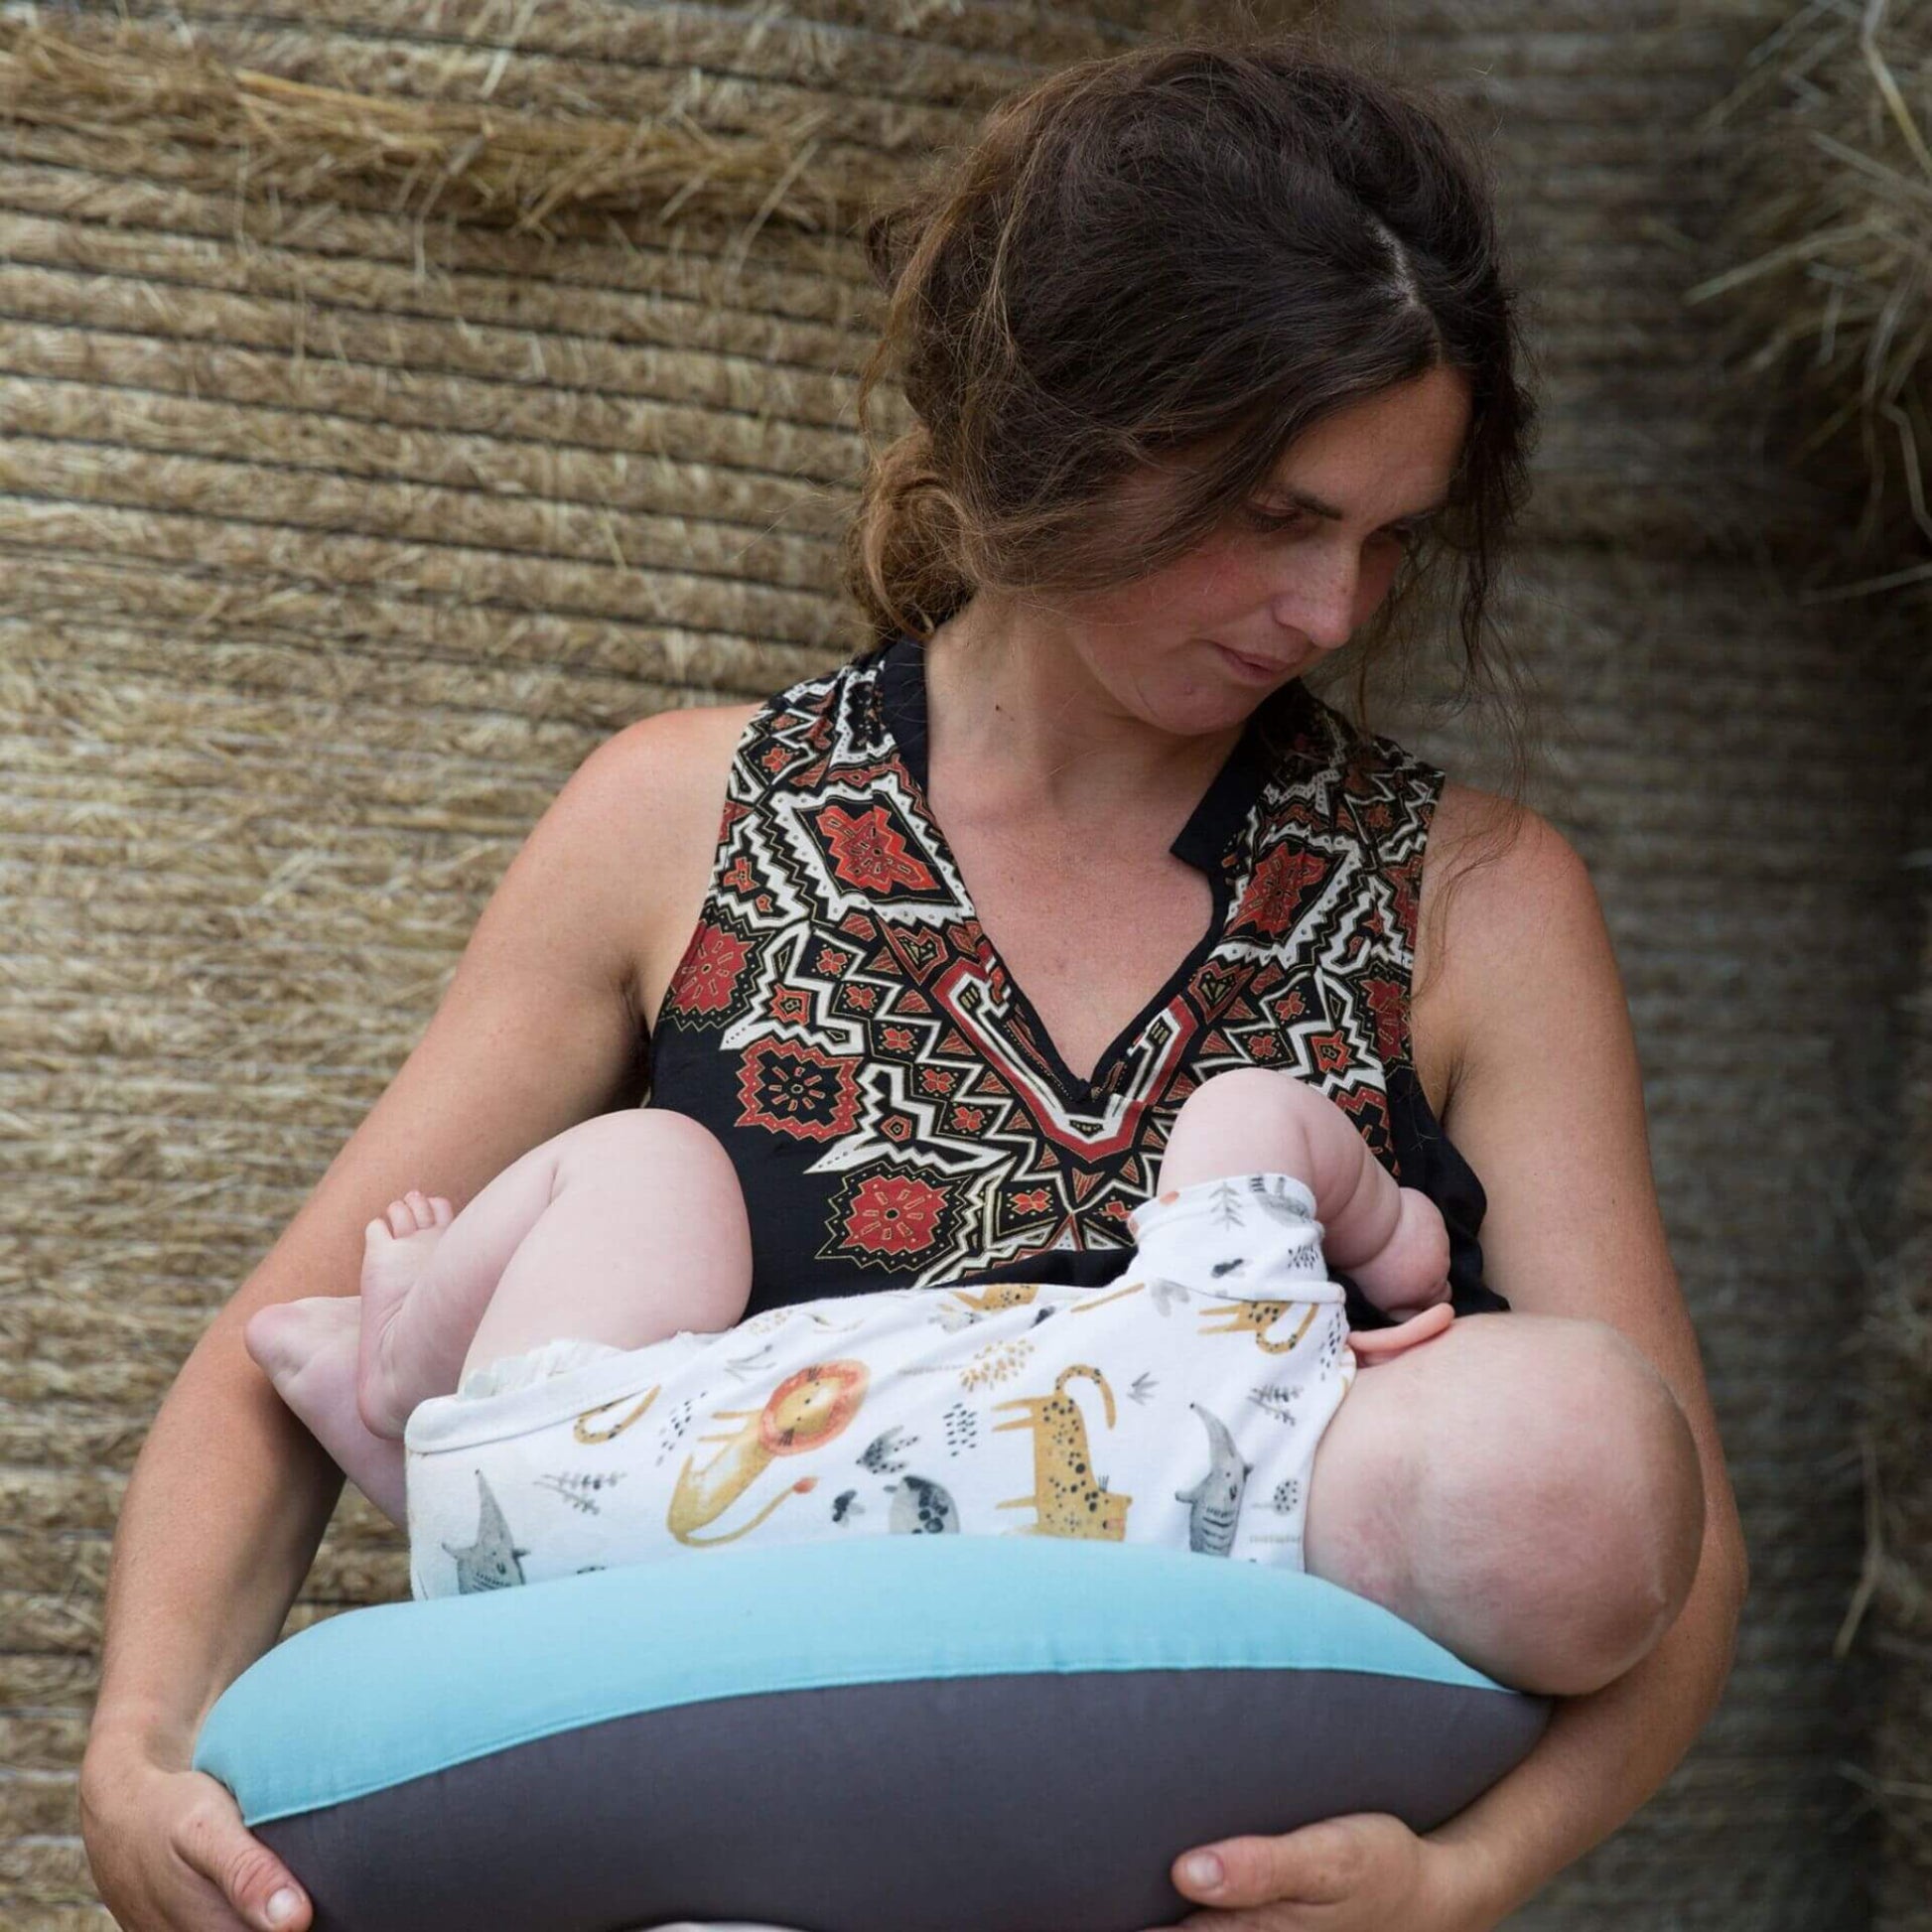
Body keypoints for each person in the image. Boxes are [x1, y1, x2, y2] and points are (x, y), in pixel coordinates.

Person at [79, 30, 1748, 1932]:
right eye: (1277, 517)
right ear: (1055, 433)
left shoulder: (1478, 906)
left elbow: (1676, 1559)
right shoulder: (682, 820)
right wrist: (139, 1749)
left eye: (1390, 536)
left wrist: (1460, 1883)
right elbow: (281, 1361)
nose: (1335, 615)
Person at [241, 1067, 1703, 1697]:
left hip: (547, 1431)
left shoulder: (1260, 1320)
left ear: (1408, 1343)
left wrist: (1388, 1231)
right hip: (568, 1647)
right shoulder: (1261, 1667)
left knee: (656, 1164)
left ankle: (406, 1360)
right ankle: (428, 1482)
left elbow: (1249, 1112)